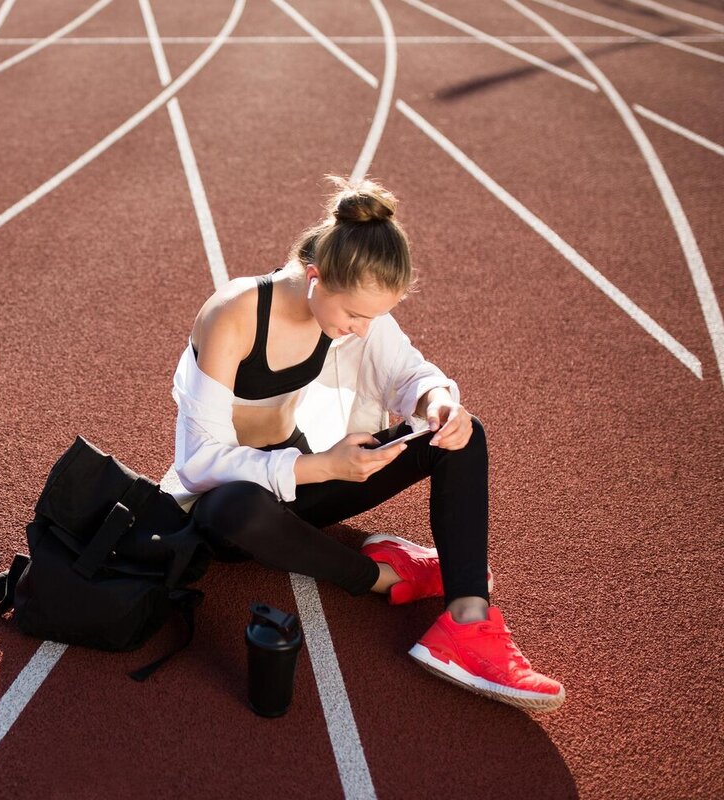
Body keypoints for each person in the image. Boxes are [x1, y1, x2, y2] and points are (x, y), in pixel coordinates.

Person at [168, 176, 565, 712]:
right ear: (315, 276)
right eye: (354, 315)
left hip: (307, 478)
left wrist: (436, 403)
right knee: (236, 508)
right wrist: (321, 466)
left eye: (372, 318)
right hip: (233, 503)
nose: (361, 330)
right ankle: (384, 577)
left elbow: (409, 373)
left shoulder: (351, 305)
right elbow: (198, 463)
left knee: (461, 436)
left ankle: (467, 625)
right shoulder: (235, 313)